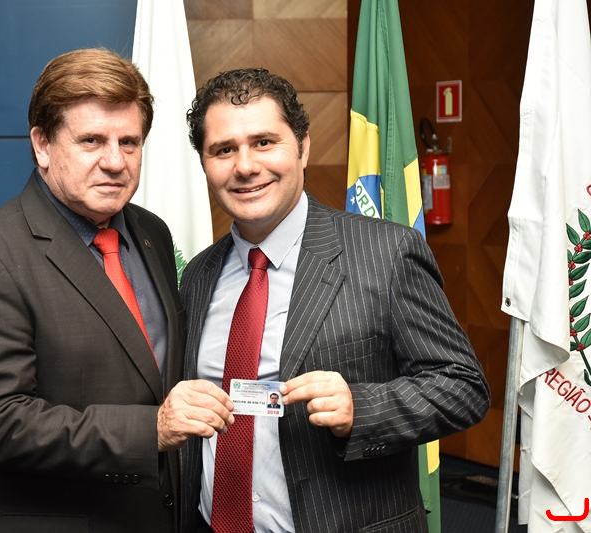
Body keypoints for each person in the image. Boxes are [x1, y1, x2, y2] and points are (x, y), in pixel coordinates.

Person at [0, 48, 233, 533]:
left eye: (129, 142)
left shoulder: (151, 233)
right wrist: (151, 430)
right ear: (43, 145)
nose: (115, 162)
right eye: (91, 140)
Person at [179, 68, 490, 533]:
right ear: (205, 163)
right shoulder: (199, 274)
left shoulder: (386, 253)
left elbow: (463, 387)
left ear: (302, 147)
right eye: (224, 150)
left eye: (264, 142)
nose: (244, 166)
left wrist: (361, 408)